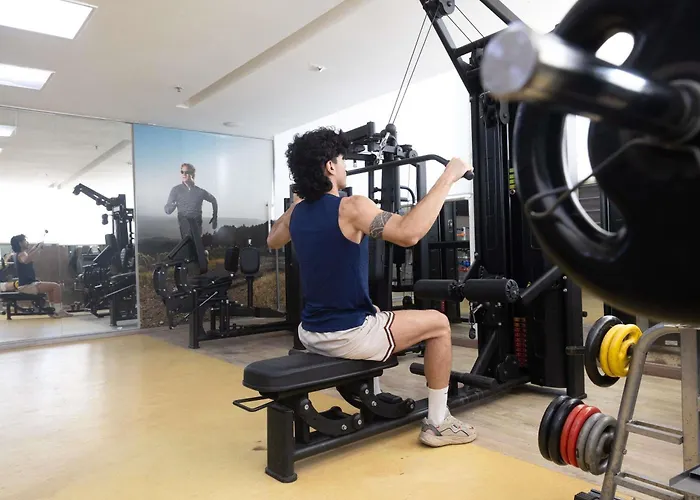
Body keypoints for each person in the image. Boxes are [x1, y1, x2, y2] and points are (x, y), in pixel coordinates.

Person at [267, 127, 476, 448]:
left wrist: (299, 201)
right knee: (439, 324)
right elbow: (409, 233)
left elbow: (272, 240)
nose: (345, 165)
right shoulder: (351, 207)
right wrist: (449, 176)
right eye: (341, 159)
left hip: (310, 334)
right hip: (347, 336)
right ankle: (438, 422)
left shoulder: (296, 213)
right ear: (330, 167)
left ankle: (376, 394)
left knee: (377, 313)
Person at [9, 234, 71, 318]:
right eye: (25, 241)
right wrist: (38, 248)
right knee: (56, 286)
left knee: (51, 288)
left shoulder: (20, 254)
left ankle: (53, 310)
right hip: (27, 286)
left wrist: (36, 247)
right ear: (20, 243)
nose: (27, 242)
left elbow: (28, 255)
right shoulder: (21, 254)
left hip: (27, 284)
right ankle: (58, 311)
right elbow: (26, 260)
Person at [164, 163, 219, 239]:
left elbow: (213, 200)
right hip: (184, 225)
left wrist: (215, 217)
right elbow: (167, 210)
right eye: (182, 172)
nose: (184, 174)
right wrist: (173, 205)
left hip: (197, 226)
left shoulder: (200, 191)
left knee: (196, 243)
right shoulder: (176, 190)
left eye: (186, 172)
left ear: (192, 174)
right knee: (188, 242)